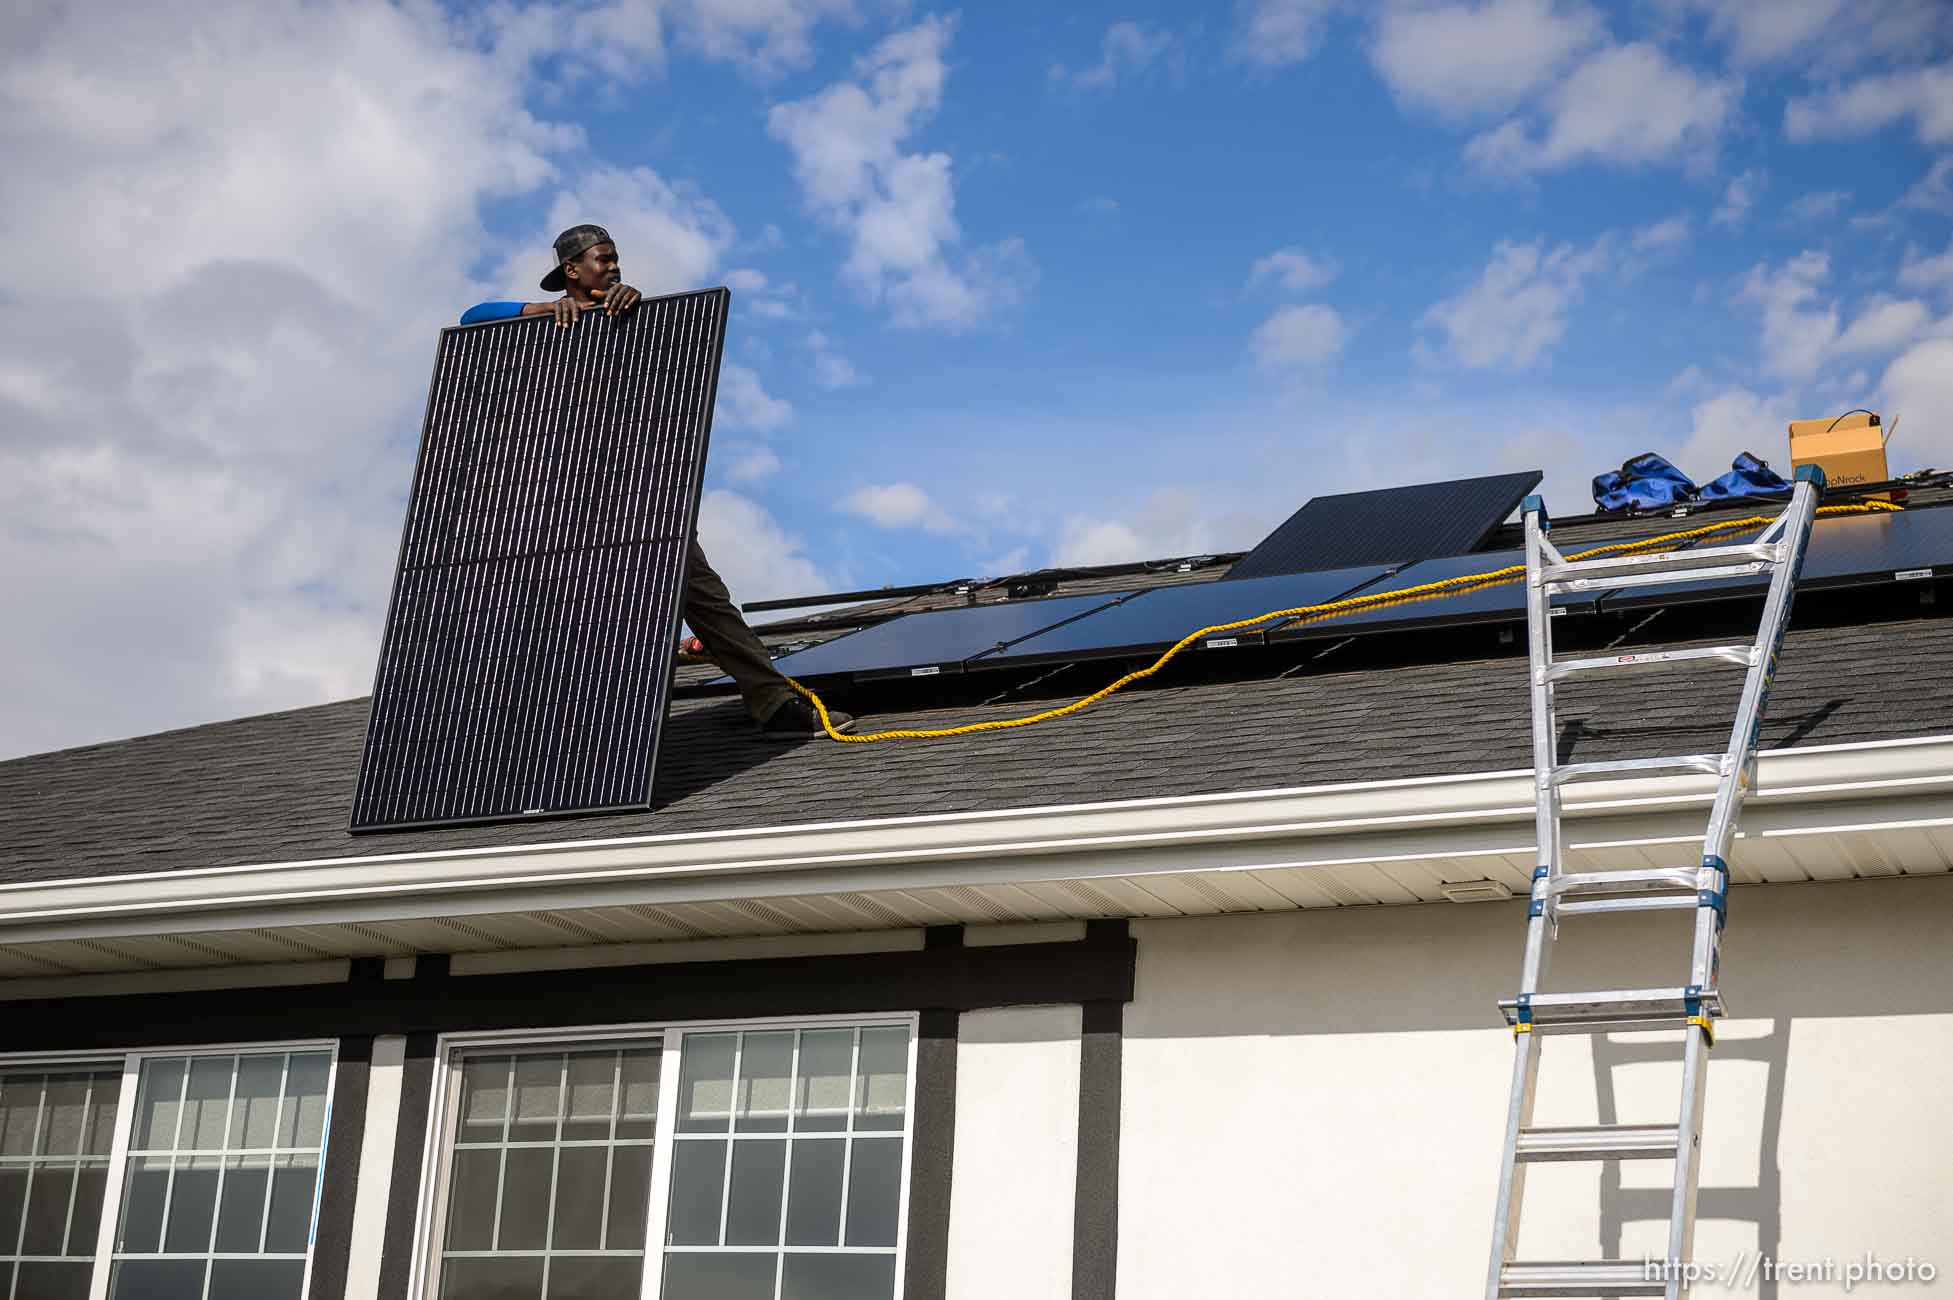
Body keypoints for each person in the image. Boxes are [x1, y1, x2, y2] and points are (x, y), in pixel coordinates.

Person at [464, 224, 853, 738]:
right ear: (571, 272)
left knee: (706, 600)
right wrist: (530, 312)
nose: (613, 267)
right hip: (563, 498)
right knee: (573, 614)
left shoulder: (634, 324)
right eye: (602, 259)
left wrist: (634, 317)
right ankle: (567, 736)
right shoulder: (539, 328)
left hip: (641, 493)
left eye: (616, 258)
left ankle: (774, 703)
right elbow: (471, 318)